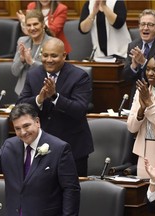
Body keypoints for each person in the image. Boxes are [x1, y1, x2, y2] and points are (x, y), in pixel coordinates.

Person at [0, 103, 80, 216]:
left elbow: (71, 190)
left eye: (26, 126)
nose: (23, 132)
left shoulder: (59, 149)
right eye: (17, 128)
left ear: (37, 122)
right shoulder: (9, 146)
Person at [17, 37, 94, 177]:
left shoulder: (79, 76)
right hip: (41, 147)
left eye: (54, 55)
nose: (49, 60)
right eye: (45, 55)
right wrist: (39, 99)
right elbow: (20, 106)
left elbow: (79, 109)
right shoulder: (33, 75)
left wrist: (54, 97)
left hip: (73, 148)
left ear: (64, 56)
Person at [123, 9, 155, 107]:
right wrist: (134, 66)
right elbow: (126, 77)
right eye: (142, 24)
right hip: (137, 97)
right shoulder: (133, 45)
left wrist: (144, 62)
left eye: (150, 25)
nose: (145, 28)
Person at [12, 9, 52, 95]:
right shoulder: (22, 41)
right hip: (23, 92)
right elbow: (14, 72)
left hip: (44, 92)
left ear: (43, 24)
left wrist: (32, 62)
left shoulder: (52, 43)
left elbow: (52, 71)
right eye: (29, 25)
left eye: (35, 24)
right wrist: (22, 60)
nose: (32, 28)